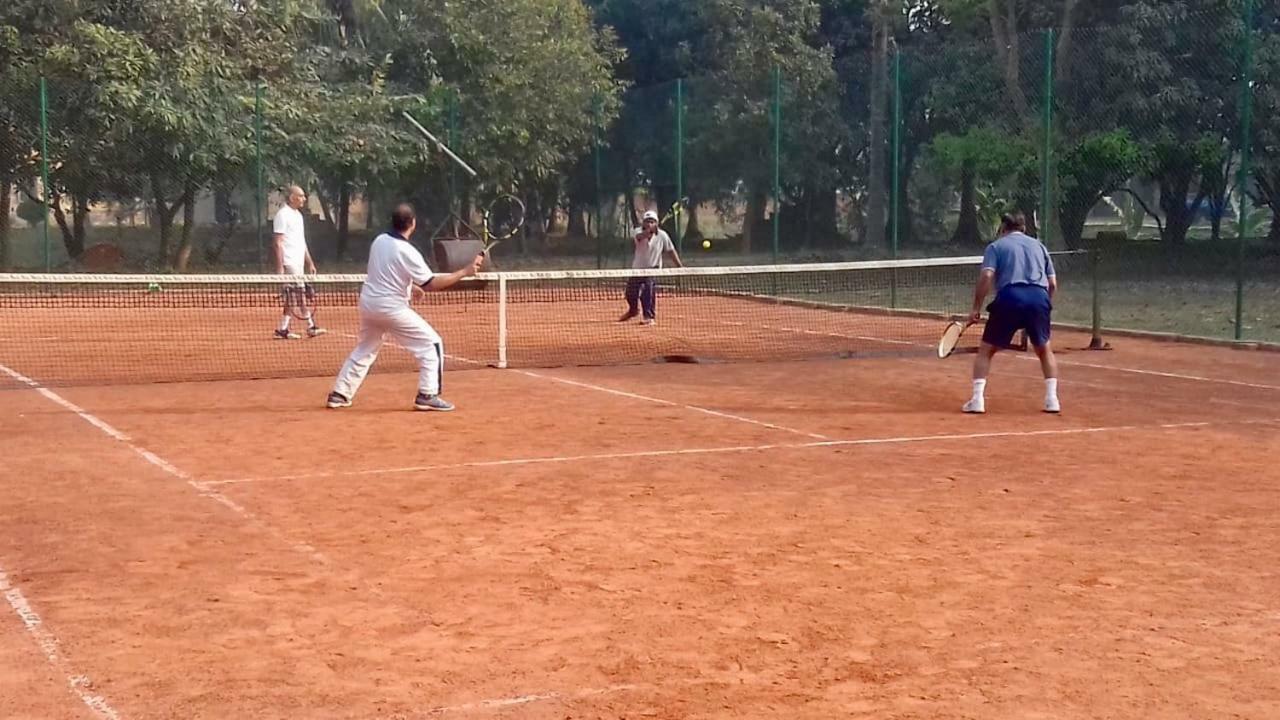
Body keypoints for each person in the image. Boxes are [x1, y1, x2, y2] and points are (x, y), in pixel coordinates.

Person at [326, 204, 482, 412]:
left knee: (365, 348)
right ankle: (428, 394)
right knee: (432, 344)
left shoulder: (379, 241)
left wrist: (411, 287)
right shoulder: (408, 251)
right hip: (390, 307)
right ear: (413, 224)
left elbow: (389, 271)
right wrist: (465, 271)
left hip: (369, 304)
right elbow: (432, 284)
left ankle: (340, 393)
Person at [963, 212, 1060, 414]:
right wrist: (1044, 306)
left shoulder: (996, 246)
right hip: (1039, 297)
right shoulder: (1040, 246)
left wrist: (976, 308)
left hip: (1010, 297)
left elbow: (987, 276)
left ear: (1003, 229)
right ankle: (1052, 400)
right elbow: (1052, 284)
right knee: (1044, 350)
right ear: (1024, 228)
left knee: (986, 351)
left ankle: (977, 400)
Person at [272, 185, 325, 339]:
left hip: (298, 262)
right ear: (292, 197)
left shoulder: (298, 216)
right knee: (299, 295)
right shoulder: (282, 215)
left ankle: (283, 329)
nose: (304, 199)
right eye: (301, 196)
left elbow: (302, 242)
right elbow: (278, 242)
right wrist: (280, 267)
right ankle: (310, 327)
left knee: (294, 296)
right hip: (289, 262)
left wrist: (310, 263)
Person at [618, 209, 683, 325]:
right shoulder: (636, 231)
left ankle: (649, 316)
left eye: (652, 221)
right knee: (630, 293)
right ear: (643, 223)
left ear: (656, 223)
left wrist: (679, 266)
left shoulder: (663, 235)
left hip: (653, 268)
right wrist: (649, 232)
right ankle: (633, 310)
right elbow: (640, 237)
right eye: (647, 221)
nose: (649, 223)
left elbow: (671, 251)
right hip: (637, 269)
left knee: (647, 291)